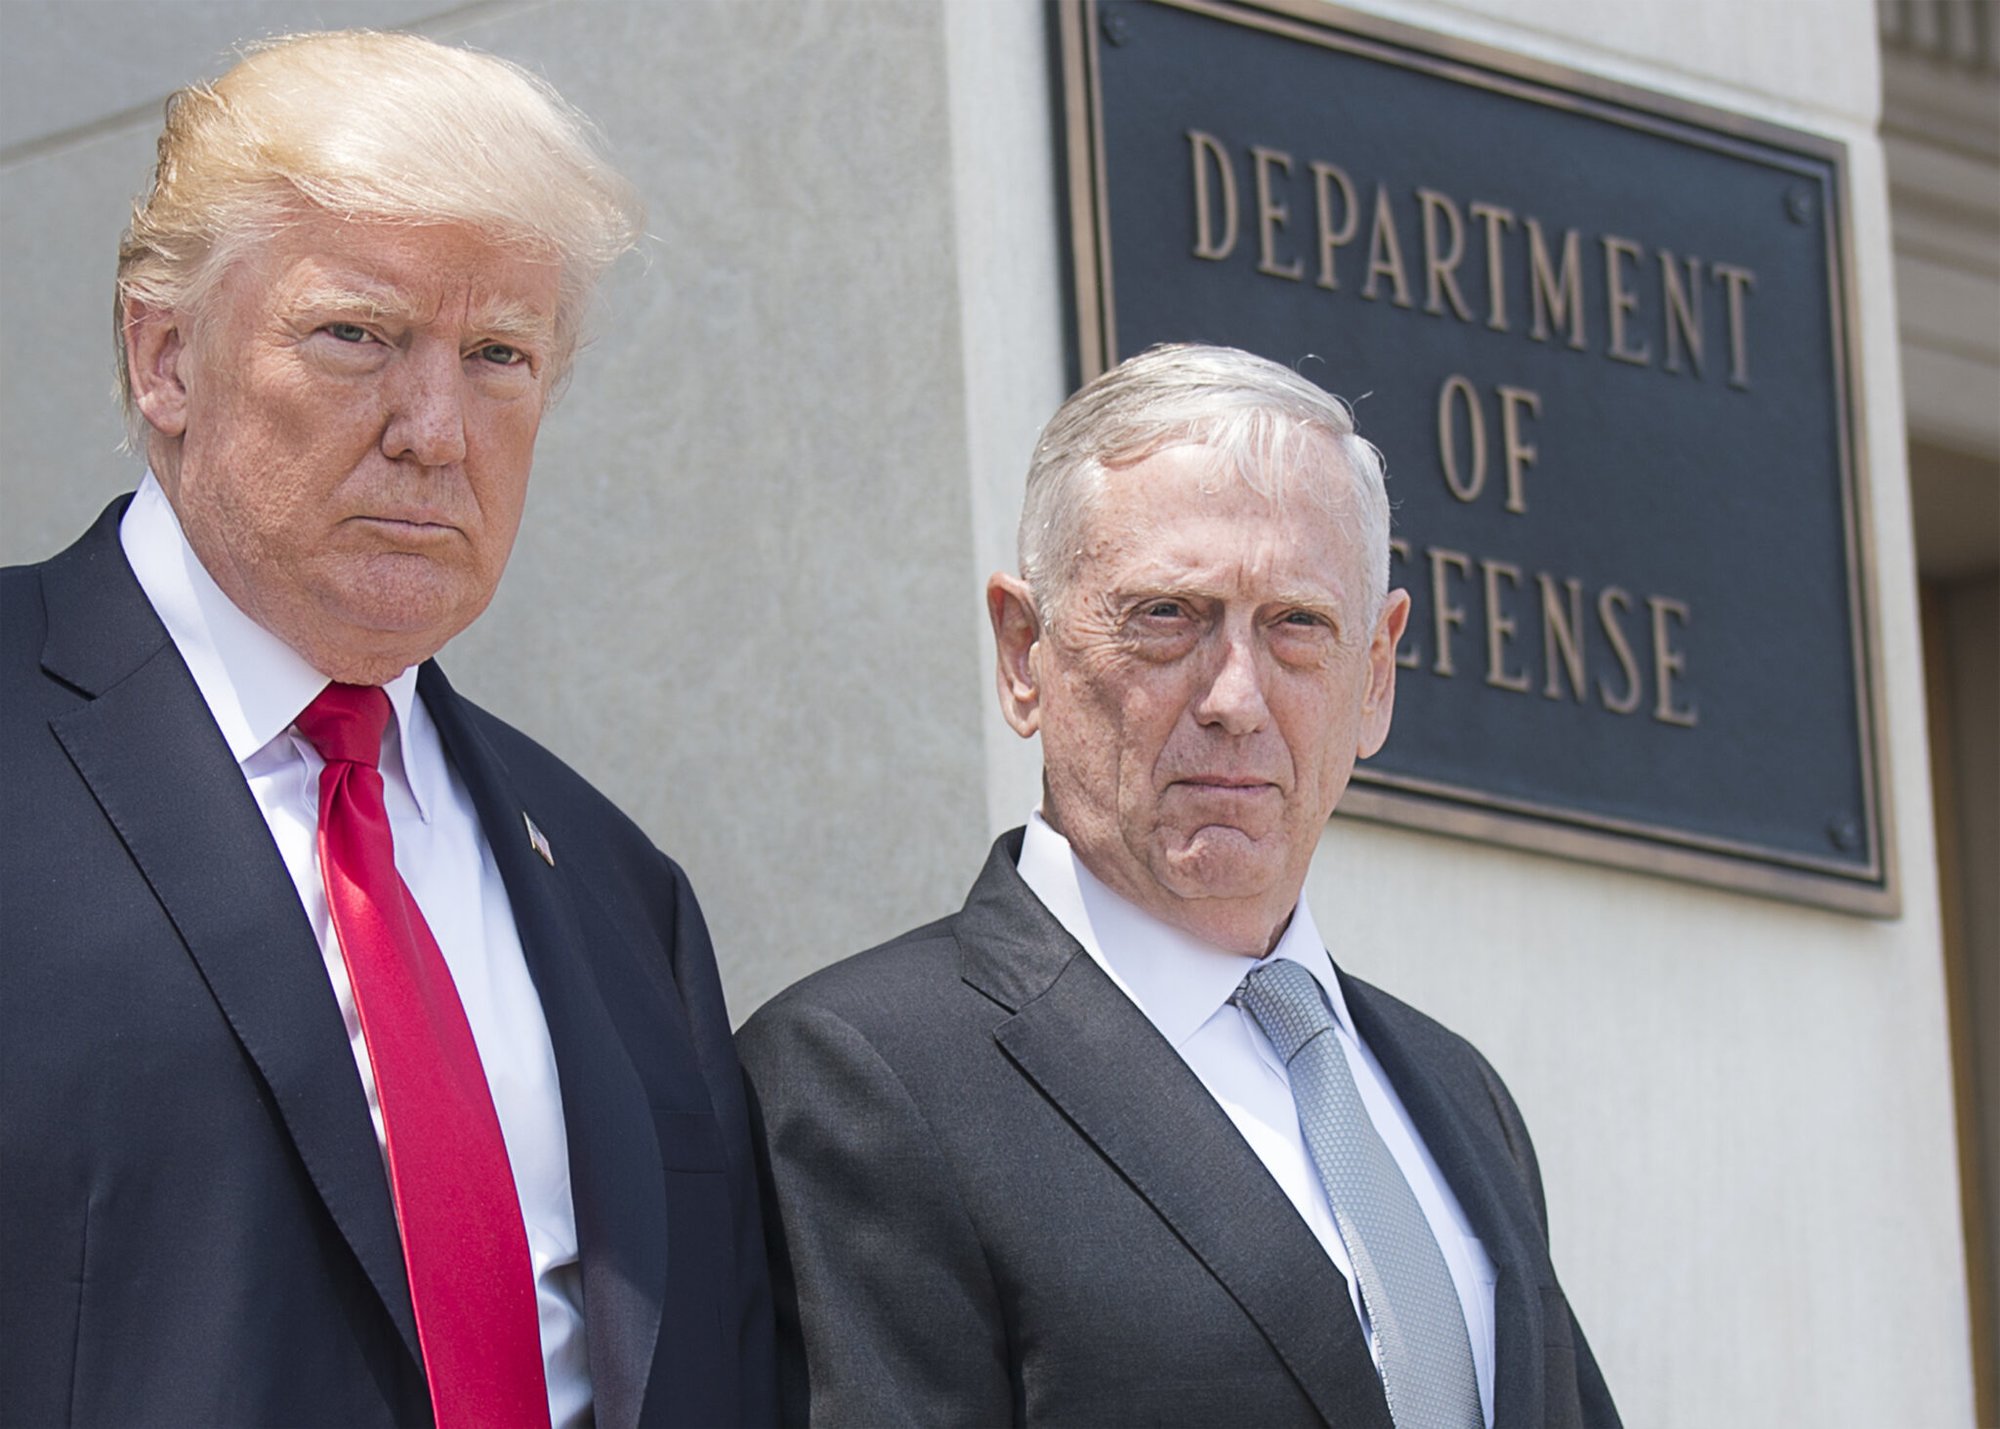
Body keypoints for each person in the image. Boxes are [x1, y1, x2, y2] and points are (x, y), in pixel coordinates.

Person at [0, 31, 772, 1428]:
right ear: (166, 355)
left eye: (497, 355)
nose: (435, 428)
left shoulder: (618, 891)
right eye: (358, 334)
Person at [738, 344, 1619, 1428]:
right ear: (1024, 653)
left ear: (1376, 676)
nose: (1235, 698)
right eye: (1167, 615)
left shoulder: (1456, 1093)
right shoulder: (862, 1074)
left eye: (1296, 624)